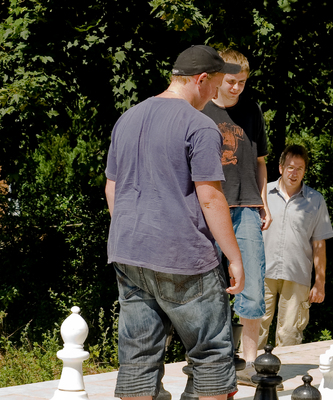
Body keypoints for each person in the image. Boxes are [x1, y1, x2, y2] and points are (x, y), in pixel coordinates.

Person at [104, 45, 245, 400]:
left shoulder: (128, 117)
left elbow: (112, 187)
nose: (215, 95)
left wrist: (134, 233)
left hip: (128, 254)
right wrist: (235, 257)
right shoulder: (200, 125)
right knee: (211, 353)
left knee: (138, 358)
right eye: (214, 86)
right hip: (183, 257)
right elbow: (210, 197)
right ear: (200, 80)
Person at [201, 49, 271, 386]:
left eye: (242, 82)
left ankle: (250, 363)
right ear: (216, 78)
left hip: (246, 207)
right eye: (231, 82)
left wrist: (264, 201)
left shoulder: (252, 109)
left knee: (253, 287)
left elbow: (259, 160)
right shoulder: (198, 109)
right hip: (208, 209)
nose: (237, 88)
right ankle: (211, 361)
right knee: (209, 289)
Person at [258, 144, 333, 349]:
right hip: (260, 273)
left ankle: (285, 377)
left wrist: (320, 282)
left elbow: (319, 244)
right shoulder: (262, 194)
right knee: (255, 329)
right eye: (290, 167)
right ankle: (248, 373)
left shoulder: (315, 200)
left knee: (290, 334)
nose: (294, 173)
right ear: (281, 168)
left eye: (299, 168)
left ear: (305, 171)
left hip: (297, 274)